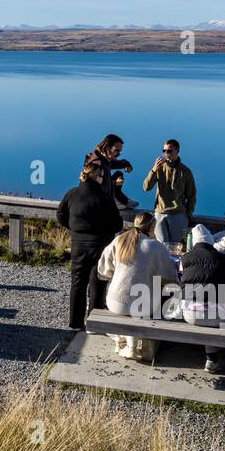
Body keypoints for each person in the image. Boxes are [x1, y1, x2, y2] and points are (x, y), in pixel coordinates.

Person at [97, 212, 179, 360]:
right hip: (143, 307)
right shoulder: (156, 247)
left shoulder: (119, 240)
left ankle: (125, 340)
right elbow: (170, 278)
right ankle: (138, 344)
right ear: (152, 227)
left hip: (115, 303)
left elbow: (103, 269)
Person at [56, 155, 123, 330]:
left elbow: (60, 215)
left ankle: (75, 323)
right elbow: (117, 224)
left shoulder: (72, 193)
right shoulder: (104, 198)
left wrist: (75, 228)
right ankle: (94, 323)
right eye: (102, 176)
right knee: (97, 284)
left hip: (78, 243)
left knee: (77, 282)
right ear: (97, 177)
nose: (103, 179)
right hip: (100, 245)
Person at [178, 239, 225, 374]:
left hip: (189, 315)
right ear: (212, 247)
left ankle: (210, 357)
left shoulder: (184, 259)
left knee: (199, 306)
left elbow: (177, 280)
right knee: (221, 309)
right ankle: (213, 359)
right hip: (219, 317)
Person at [142, 138, 197, 247]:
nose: (166, 154)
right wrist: (153, 170)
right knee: (162, 246)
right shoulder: (159, 168)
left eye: (169, 151)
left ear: (177, 151)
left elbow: (191, 195)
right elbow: (146, 187)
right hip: (160, 213)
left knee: (176, 247)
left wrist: (188, 214)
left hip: (178, 214)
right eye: (164, 151)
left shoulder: (185, 171)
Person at [89, 134, 137, 212]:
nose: (118, 154)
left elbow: (117, 163)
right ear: (107, 148)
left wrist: (127, 165)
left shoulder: (104, 159)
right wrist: (114, 183)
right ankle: (117, 201)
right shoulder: (97, 163)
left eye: (120, 151)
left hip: (103, 197)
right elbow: (93, 187)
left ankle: (117, 199)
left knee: (118, 174)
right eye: (116, 150)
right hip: (97, 203)